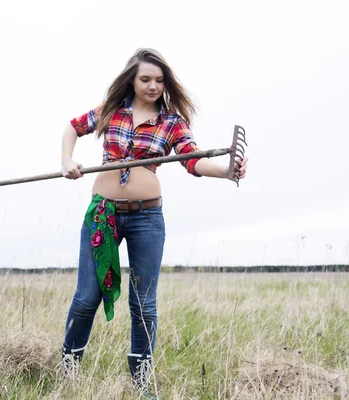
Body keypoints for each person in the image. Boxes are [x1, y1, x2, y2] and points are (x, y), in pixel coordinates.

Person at [59, 48, 248, 393]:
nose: (153, 85)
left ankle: (141, 381)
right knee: (87, 296)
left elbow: (192, 160)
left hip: (147, 217)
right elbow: (72, 129)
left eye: (159, 80)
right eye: (145, 78)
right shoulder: (110, 112)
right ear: (132, 79)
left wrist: (225, 170)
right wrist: (67, 161)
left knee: (143, 304)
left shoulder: (172, 122)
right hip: (103, 214)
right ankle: (68, 368)